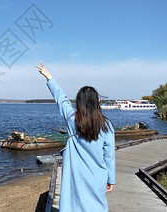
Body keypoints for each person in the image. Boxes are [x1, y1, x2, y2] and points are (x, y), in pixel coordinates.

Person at [35, 62, 115, 212]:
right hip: (98, 176)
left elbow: (61, 99)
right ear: (97, 102)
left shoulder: (73, 120)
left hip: (75, 176)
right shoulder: (107, 126)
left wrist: (49, 77)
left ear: (79, 102)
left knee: (73, 206)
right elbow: (109, 156)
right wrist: (110, 179)